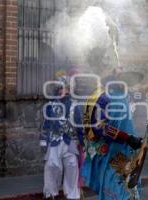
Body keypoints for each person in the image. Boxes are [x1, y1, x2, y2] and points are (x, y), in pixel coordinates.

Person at [81, 69, 142, 200]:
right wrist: (128, 138)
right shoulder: (110, 99)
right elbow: (102, 128)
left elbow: (126, 123)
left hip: (125, 151)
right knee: (116, 186)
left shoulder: (123, 98)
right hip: (114, 152)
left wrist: (135, 138)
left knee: (127, 185)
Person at [40, 70, 84, 200]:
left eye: (67, 88)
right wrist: (43, 141)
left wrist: (82, 142)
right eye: (63, 87)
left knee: (72, 167)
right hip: (54, 141)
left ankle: (72, 195)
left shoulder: (75, 105)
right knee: (52, 166)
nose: (65, 90)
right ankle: (50, 194)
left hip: (70, 142)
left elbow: (79, 125)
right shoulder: (50, 105)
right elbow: (46, 124)